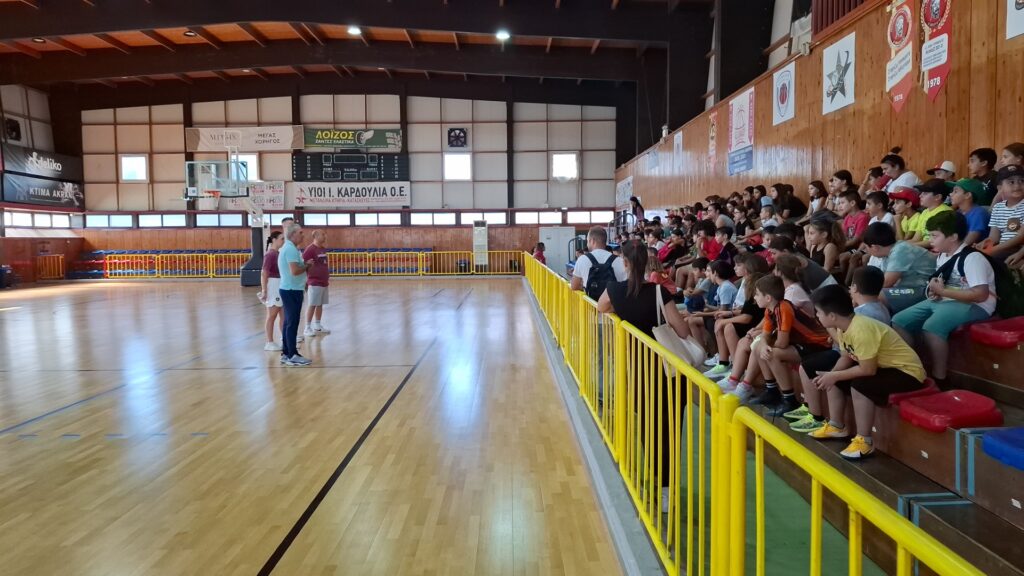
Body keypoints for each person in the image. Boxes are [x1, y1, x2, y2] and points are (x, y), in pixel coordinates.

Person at [801, 285, 926, 459]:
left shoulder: (861, 329)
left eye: (819, 313)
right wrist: (830, 375)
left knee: (859, 385)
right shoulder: (843, 327)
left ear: (832, 316)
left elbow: (868, 370)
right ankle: (836, 426)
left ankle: (864, 441)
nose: (817, 316)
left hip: (908, 373)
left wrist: (834, 375)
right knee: (834, 376)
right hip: (886, 368)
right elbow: (846, 357)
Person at [892, 212, 997, 386]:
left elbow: (980, 294)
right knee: (899, 321)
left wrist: (943, 291)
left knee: (932, 327)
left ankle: (940, 378)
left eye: (935, 236)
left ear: (953, 237)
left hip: (975, 305)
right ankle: (914, 369)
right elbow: (944, 285)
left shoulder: (972, 258)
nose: (930, 240)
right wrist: (936, 292)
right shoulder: (942, 256)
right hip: (947, 300)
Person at [723, 275, 831, 415]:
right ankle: (771, 391)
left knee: (771, 354)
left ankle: (789, 399)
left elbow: (782, 343)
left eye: (757, 294)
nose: (754, 297)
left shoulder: (783, 308)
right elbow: (765, 335)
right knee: (758, 347)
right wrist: (762, 344)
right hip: (801, 344)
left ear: (768, 298)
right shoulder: (770, 310)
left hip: (817, 345)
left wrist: (765, 346)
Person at [703, 253, 770, 378]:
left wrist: (725, 319)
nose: (735, 268)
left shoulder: (756, 285)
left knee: (727, 326)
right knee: (720, 322)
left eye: (739, 265)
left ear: (749, 269)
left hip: (755, 324)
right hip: (755, 323)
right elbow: (746, 310)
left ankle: (735, 368)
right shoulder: (748, 283)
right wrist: (730, 313)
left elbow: (747, 317)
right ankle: (724, 363)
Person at [861, 222, 936, 313]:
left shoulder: (901, 250)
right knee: (867, 293)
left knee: (874, 296)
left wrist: (861, 290)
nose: (866, 251)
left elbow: (887, 282)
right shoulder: (888, 254)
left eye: (866, 247)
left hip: (925, 290)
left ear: (875, 247)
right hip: (911, 288)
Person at [278, 223, 315, 366]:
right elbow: (294, 271)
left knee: (289, 322)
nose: (303, 235)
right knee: (292, 323)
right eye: (300, 233)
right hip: (291, 290)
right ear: (293, 234)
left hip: (291, 289)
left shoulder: (290, 248)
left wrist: (304, 265)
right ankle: (292, 354)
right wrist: (307, 266)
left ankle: (286, 353)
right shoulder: (290, 249)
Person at [572, 226, 628, 299]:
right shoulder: (619, 261)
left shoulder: (582, 259)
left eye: (588, 241)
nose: (587, 244)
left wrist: (585, 286)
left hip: (590, 304)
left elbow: (574, 286)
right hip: (612, 304)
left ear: (592, 241)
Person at [981, 165, 1024, 260]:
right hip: (1002, 248)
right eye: (1011, 182)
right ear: (1000, 188)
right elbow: (994, 237)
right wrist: (984, 246)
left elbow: (1020, 237)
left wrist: (991, 250)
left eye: (1022, 181)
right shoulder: (998, 208)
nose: (1017, 185)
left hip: (1018, 248)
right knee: (976, 255)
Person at [302, 230, 331, 338]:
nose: (325, 236)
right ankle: (307, 327)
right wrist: (305, 280)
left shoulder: (323, 249)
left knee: (320, 304)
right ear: (316, 236)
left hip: (323, 282)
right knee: (312, 304)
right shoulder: (310, 249)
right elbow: (303, 263)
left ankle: (317, 325)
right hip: (314, 282)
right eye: (323, 234)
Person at [908, 179, 954, 247]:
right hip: (922, 247)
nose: (920, 196)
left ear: (937, 197)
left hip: (936, 249)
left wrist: (910, 245)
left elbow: (936, 241)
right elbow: (916, 239)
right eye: (921, 192)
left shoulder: (945, 212)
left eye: (925, 193)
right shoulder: (924, 212)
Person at [259, 231, 285, 352]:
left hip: (281, 284)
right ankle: (269, 342)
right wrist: (264, 290)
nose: (283, 241)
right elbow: (264, 273)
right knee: (272, 315)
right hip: (273, 286)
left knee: (283, 315)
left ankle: (285, 339)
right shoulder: (270, 255)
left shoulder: (278, 253)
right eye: (281, 239)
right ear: (274, 240)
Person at [837, 190, 870, 280]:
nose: (840, 206)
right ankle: (841, 279)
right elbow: (844, 236)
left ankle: (845, 282)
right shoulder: (848, 217)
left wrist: (839, 246)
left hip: (860, 247)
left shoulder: (863, 217)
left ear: (852, 203)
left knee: (844, 257)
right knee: (837, 253)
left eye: (842, 203)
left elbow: (855, 241)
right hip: (850, 246)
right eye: (839, 203)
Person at [948, 179, 990, 247]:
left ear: (967, 195)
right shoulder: (958, 212)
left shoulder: (979, 213)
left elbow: (967, 242)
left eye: (955, 191)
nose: (950, 194)